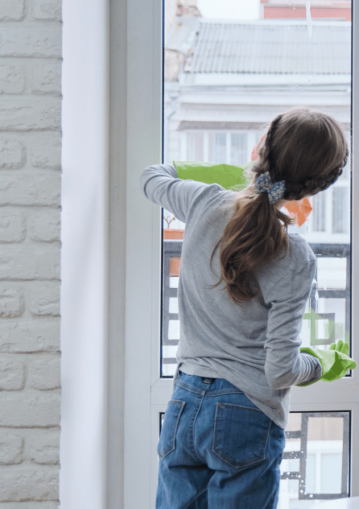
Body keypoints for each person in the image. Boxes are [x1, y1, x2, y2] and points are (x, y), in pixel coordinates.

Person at [144, 108, 348, 509]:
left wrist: (224, 174)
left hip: (184, 403)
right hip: (247, 411)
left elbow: (151, 177)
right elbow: (282, 370)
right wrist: (321, 363)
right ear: (316, 187)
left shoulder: (203, 202)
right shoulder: (294, 256)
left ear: (260, 151)